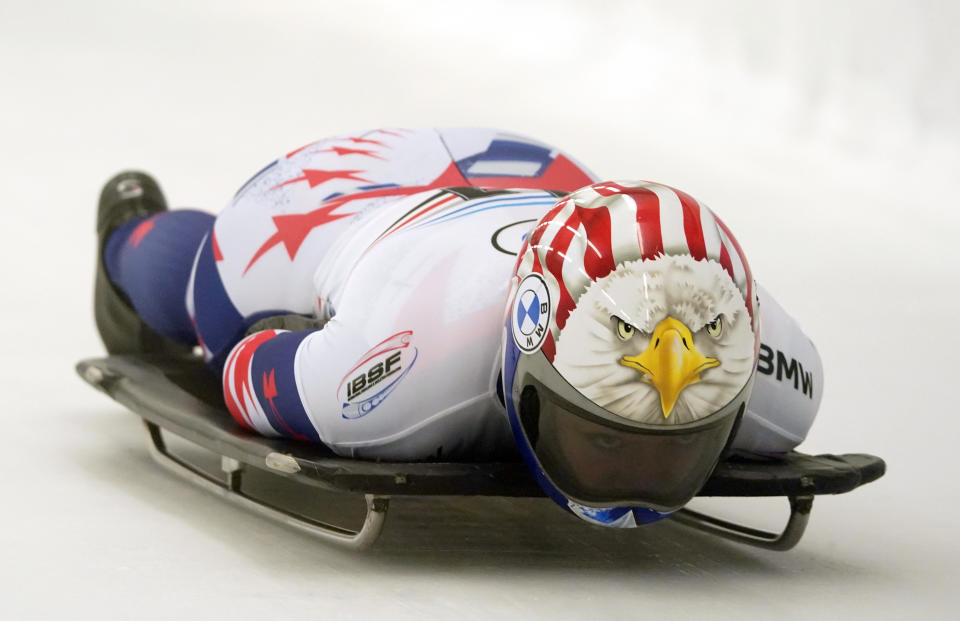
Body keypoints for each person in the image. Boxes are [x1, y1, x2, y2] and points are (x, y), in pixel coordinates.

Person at [95, 127, 822, 525]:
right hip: (344, 205)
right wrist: (292, 338)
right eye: (600, 441)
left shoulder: (771, 369)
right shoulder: (381, 386)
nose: (637, 484)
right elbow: (241, 365)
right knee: (207, 297)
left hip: (546, 180)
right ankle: (128, 235)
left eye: (679, 452)